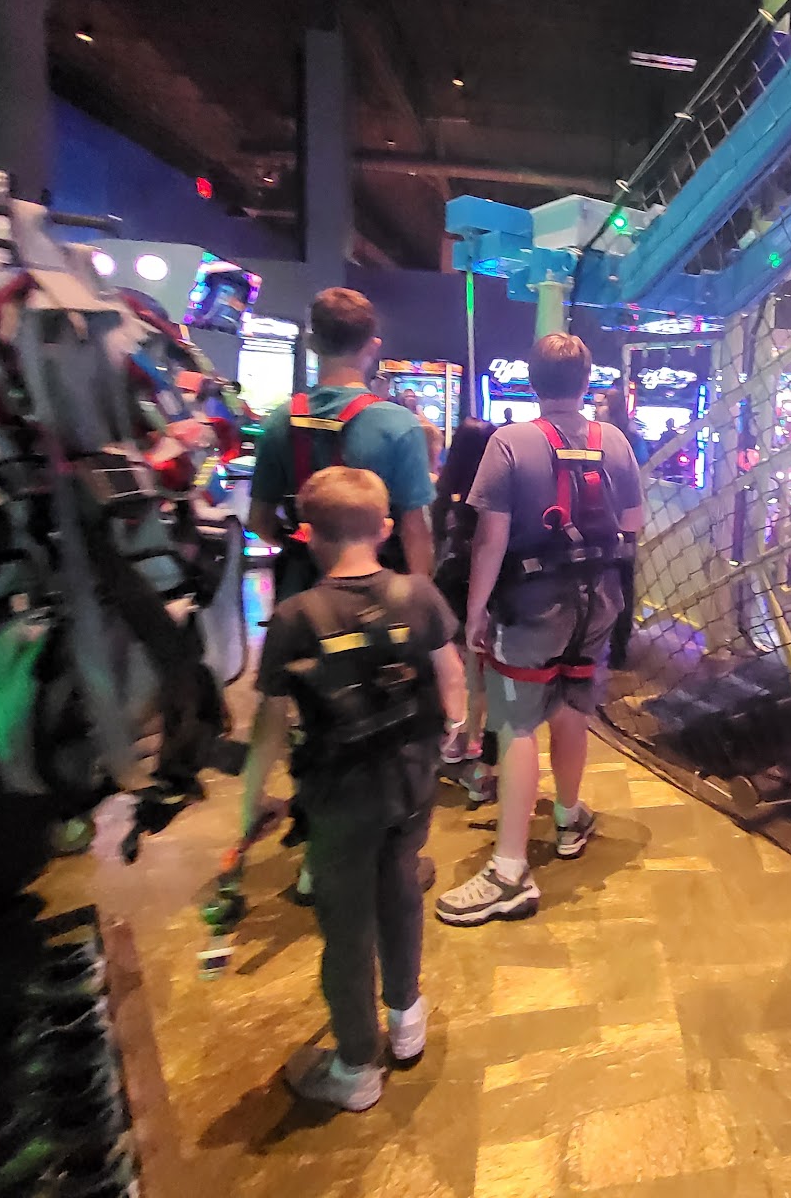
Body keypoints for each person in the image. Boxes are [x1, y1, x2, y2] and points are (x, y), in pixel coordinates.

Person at [241, 466, 467, 1112]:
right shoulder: (419, 594)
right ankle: (407, 1018)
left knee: (346, 927)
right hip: (412, 782)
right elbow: (451, 676)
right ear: (386, 528)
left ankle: (355, 1066)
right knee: (401, 892)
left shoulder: (294, 618)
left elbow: (270, 724)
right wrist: (452, 733)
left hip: (340, 798)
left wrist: (253, 799)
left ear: (308, 535)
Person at [435, 334, 644, 926]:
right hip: (598, 601)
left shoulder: (509, 442)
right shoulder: (615, 441)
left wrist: (476, 610)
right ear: (586, 381)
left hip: (532, 605)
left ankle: (509, 870)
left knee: (518, 722)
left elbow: (490, 538)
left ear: (531, 380)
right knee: (573, 706)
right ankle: (569, 818)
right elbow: (632, 524)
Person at [249, 289, 436, 599]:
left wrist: (307, 545)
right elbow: (415, 532)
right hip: (381, 598)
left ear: (310, 343)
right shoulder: (400, 425)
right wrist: (421, 601)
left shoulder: (279, 422)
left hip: (303, 597)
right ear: (372, 346)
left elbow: (259, 522)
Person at [431, 418, 498, 802]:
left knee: (453, 670)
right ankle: (474, 741)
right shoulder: (492, 495)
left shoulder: (444, 493)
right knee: (479, 676)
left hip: (447, 587)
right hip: (482, 588)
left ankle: (454, 737)